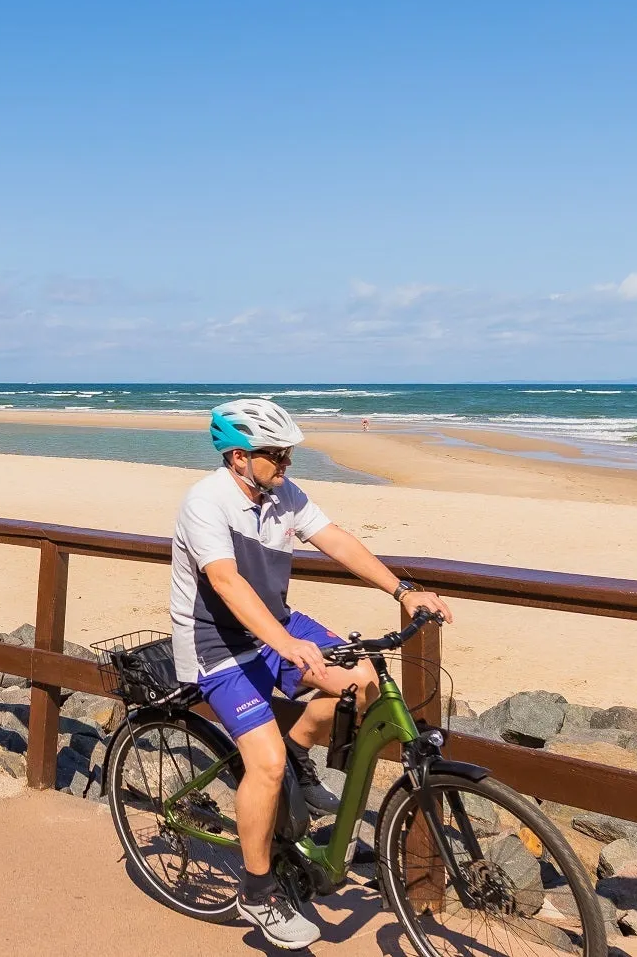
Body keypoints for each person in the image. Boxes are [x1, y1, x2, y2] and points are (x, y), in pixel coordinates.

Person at [170, 398, 452, 950]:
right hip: (218, 643)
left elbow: (335, 538)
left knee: (365, 679)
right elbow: (225, 583)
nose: (286, 464)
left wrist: (403, 589)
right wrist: (288, 646)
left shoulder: (281, 496)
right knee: (265, 764)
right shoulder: (206, 502)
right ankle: (257, 891)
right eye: (275, 455)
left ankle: (299, 753)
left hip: (275, 624)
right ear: (237, 457)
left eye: (288, 453)